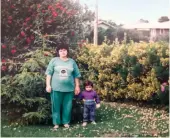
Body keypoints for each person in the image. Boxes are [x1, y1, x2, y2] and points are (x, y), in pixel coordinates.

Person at [45, 43, 81, 130]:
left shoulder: (72, 62)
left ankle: (66, 122)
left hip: (69, 89)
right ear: (58, 52)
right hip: (56, 88)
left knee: (67, 107)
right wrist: (48, 85)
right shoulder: (54, 60)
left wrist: (77, 86)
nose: (63, 52)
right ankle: (56, 123)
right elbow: (48, 74)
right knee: (55, 106)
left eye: (64, 50)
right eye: (61, 51)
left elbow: (76, 75)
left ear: (67, 51)